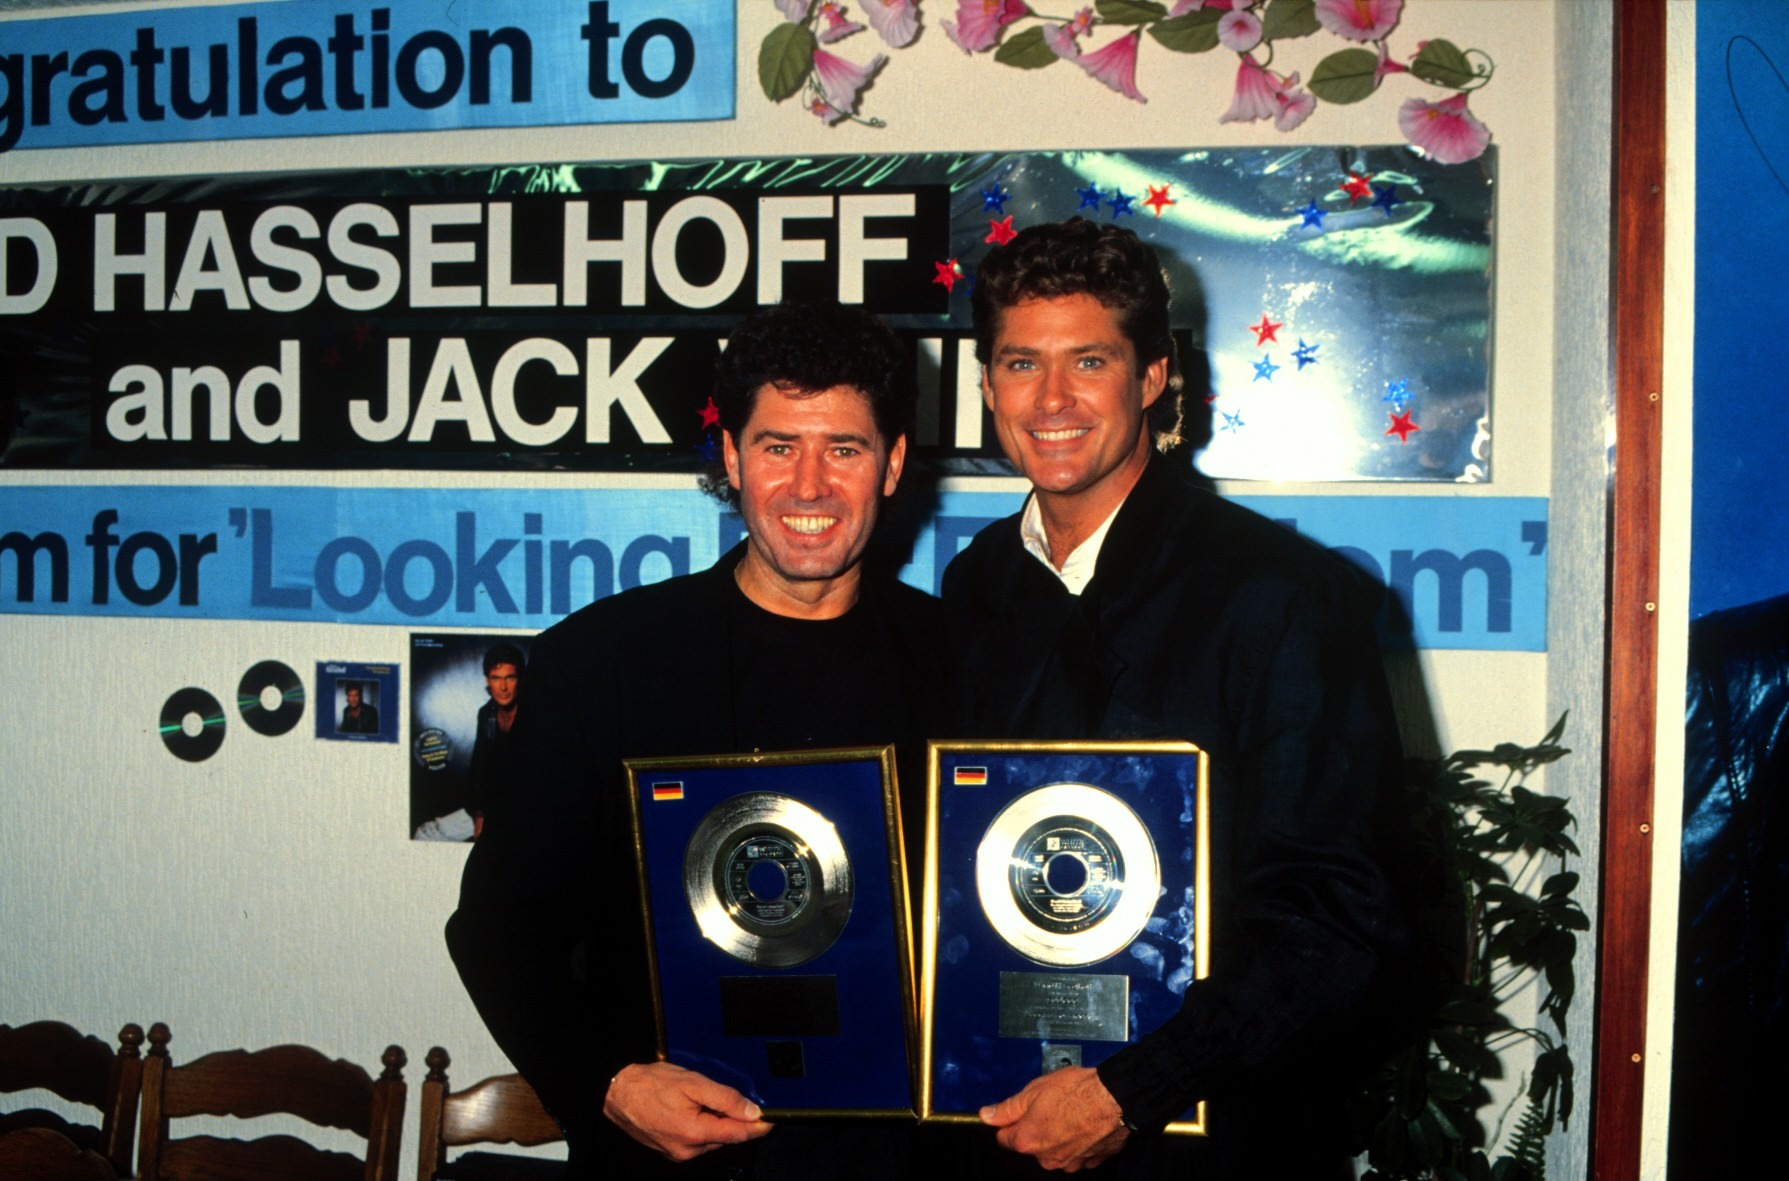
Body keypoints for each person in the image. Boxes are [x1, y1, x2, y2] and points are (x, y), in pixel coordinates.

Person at [942, 219, 1441, 1178]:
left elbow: (1344, 921)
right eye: (1018, 364)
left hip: (1215, 1136)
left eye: (1088, 360)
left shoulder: (1280, 595)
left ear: (1153, 374)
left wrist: (1134, 1088)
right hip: (1002, 1122)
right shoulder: (976, 587)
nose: (1050, 400)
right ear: (985, 385)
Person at [447, 301, 941, 1180]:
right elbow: (496, 926)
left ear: (893, 462)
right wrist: (606, 1082)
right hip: (667, 1161)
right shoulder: (599, 661)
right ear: (731, 457)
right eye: (778, 445)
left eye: (845, 448)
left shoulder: (962, 666)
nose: (810, 485)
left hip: (896, 1161)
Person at [467, 642, 525, 839]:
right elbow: (479, 767)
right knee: (427, 831)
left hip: (526, 809)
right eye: (496, 678)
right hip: (491, 806)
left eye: (510, 677)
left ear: (520, 679)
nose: (503, 687)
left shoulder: (536, 714)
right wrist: (480, 814)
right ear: (487, 680)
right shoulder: (487, 714)